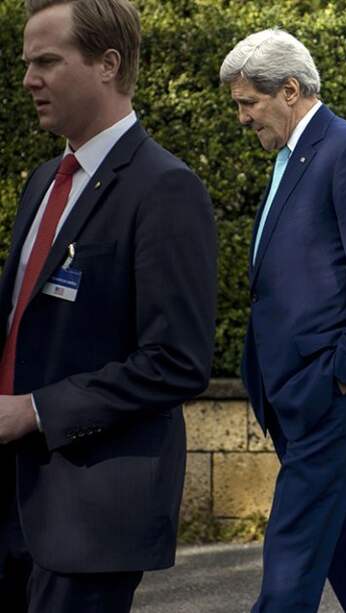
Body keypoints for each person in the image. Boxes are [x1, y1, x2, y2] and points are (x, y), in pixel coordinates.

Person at [0, 0, 217, 611]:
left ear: (107, 64)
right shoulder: (44, 181)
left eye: (46, 61)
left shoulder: (166, 188)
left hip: (88, 510)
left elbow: (177, 360)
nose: (28, 79)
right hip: (14, 495)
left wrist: (34, 412)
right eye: (26, 62)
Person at [221, 28, 346, 613]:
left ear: (288, 89)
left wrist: (342, 376)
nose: (241, 118)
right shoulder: (294, 154)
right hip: (290, 388)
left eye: (247, 103)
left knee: (294, 549)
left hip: (327, 388)